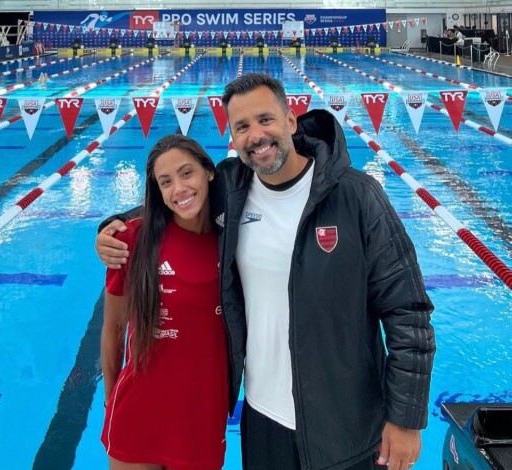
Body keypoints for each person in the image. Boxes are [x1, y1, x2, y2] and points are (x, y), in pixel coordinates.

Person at [96, 73, 436, 470]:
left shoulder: (357, 195)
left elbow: (408, 310)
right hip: (263, 418)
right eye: (242, 126)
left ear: (291, 121)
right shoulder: (232, 190)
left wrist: (406, 418)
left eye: (265, 120)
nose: (256, 135)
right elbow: (176, 200)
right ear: (233, 138)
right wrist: (112, 225)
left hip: (346, 422)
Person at [100, 134, 229, 470]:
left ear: (208, 172)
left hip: (201, 418)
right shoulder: (133, 240)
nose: (179, 190)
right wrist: (110, 401)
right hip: (136, 414)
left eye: (187, 174)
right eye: (166, 182)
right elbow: (113, 328)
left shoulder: (233, 242)